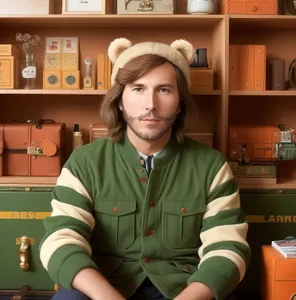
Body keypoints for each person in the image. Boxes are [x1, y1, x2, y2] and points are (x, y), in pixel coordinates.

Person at [39, 38, 251, 300]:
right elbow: (61, 241)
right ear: (119, 101)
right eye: (138, 89)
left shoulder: (211, 166)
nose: (150, 104)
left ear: (180, 102)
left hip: (185, 289)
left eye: (163, 90)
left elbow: (228, 248)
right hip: (105, 286)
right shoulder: (84, 163)